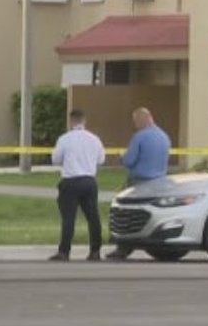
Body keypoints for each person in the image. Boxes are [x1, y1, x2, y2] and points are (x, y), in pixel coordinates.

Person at [106, 107, 171, 260]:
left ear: (142, 120)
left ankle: (123, 248)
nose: (135, 125)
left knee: (125, 213)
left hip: (139, 181)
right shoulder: (164, 136)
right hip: (160, 181)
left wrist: (121, 157)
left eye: (135, 121)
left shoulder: (140, 136)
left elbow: (129, 161)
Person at [49, 109, 106, 262]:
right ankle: (95, 251)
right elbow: (101, 160)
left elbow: (56, 159)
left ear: (71, 121)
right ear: (84, 120)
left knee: (69, 218)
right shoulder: (94, 139)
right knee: (93, 217)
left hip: (71, 180)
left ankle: (64, 251)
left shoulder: (65, 139)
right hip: (89, 180)